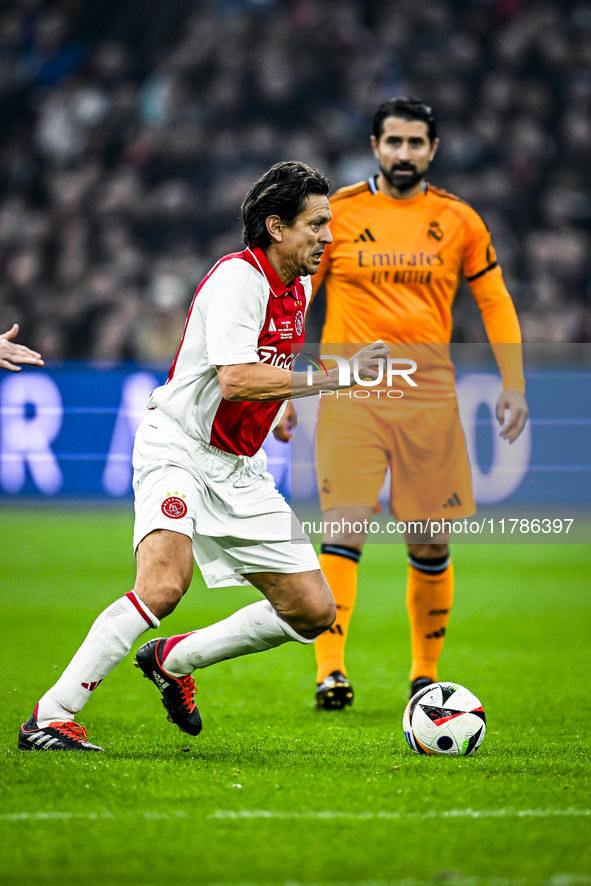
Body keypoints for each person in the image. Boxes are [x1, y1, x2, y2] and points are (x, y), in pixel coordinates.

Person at [19, 161, 388, 751]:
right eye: (316, 224)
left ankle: (174, 660)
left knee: (314, 611)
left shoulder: (301, 282)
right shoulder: (238, 278)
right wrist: (335, 378)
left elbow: (269, 360)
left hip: (240, 467)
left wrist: (284, 400)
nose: (328, 237)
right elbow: (238, 378)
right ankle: (52, 714)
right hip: (180, 448)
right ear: (276, 226)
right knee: (165, 584)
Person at [306, 98, 529, 710]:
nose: (404, 153)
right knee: (344, 528)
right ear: (375, 146)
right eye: (393, 141)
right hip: (350, 394)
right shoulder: (338, 215)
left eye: (415, 143)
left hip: (428, 398)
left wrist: (513, 383)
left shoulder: (459, 220)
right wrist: (281, 383)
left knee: (428, 541)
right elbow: (296, 298)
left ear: (433, 149)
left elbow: (495, 302)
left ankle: (424, 676)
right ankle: (331, 670)